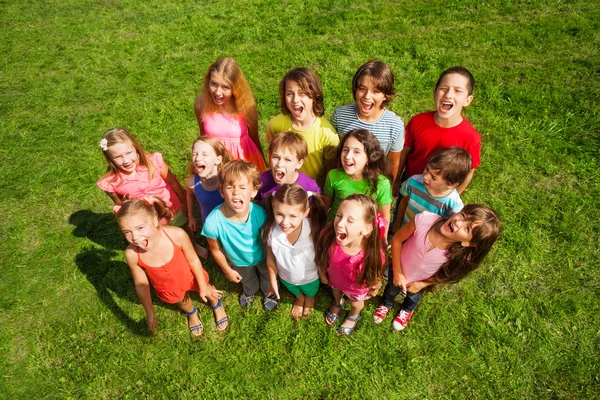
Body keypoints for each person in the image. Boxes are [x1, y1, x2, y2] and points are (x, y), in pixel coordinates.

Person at [373, 205, 500, 331]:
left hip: (419, 282)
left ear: (468, 243)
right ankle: (386, 303)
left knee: (413, 297)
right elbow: (397, 240)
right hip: (397, 270)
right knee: (390, 290)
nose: (458, 222)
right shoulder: (424, 220)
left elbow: (449, 275)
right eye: (463, 215)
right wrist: (397, 272)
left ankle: (407, 310)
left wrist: (422, 284)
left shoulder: (461, 256)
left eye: (467, 229)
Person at [117, 197, 228, 336]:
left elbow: (193, 260)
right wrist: (150, 313)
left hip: (191, 275)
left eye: (140, 228)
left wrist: (203, 286)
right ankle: (191, 312)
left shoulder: (177, 234)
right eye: (127, 232)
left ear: (155, 220)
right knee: (182, 302)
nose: (134, 237)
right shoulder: (132, 254)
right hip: (168, 287)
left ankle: (216, 304)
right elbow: (141, 284)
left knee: (209, 291)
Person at [97, 127, 208, 258]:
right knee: (161, 236)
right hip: (148, 218)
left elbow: (172, 182)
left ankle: (193, 245)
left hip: (173, 206)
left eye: (129, 153)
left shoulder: (153, 162)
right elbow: (121, 206)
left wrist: (184, 202)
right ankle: (172, 253)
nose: (126, 160)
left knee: (183, 227)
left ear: (136, 149)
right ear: (110, 159)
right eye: (118, 157)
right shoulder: (111, 182)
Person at [201, 160, 277, 310]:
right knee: (247, 281)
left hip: (262, 257)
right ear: (222, 191)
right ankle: (249, 291)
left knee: (266, 276)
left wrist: (270, 262)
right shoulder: (213, 222)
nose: (236, 192)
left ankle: (269, 293)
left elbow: (266, 241)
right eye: (230, 187)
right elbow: (215, 249)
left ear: (254, 191)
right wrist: (227, 270)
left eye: (243, 187)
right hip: (238, 262)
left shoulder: (259, 214)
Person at [394, 66, 480, 196]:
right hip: (409, 188)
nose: (448, 94)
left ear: (467, 100)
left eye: (457, 91)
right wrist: (395, 181)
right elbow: (403, 153)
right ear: (435, 93)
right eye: (443, 88)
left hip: (439, 197)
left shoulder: (470, 138)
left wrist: (452, 196)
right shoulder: (418, 122)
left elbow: (469, 172)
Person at [315, 195, 386, 336]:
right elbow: (322, 258)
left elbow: (375, 274)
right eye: (339, 216)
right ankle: (337, 302)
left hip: (356, 290)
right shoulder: (329, 239)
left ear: (366, 229)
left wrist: (375, 286)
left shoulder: (372, 255)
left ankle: (353, 315)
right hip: (334, 281)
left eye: (350, 221)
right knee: (336, 292)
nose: (340, 224)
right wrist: (323, 274)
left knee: (355, 303)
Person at [330, 60, 405, 184]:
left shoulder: (395, 125)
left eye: (376, 91)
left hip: (373, 186)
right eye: (362, 89)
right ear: (355, 89)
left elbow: (392, 163)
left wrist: (389, 188)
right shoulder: (340, 116)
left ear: (386, 95)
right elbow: (334, 154)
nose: (367, 96)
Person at [262, 184, 328, 319]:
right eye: (279, 214)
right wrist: (273, 281)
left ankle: (309, 298)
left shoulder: (312, 231)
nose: (285, 222)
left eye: (293, 216)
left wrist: (322, 275)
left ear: (305, 213)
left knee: (311, 290)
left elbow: (320, 256)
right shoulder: (270, 232)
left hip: (310, 277)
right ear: (273, 208)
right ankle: (299, 298)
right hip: (286, 278)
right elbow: (270, 259)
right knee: (294, 289)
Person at [265, 67, 339, 185]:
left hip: (310, 192)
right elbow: (272, 156)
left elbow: (330, 171)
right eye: (290, 94)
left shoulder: (328, 134)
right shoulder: (276, 125)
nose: (295, 100)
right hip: (280, 189)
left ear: (314, 96)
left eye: (302, 94)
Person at [194, 57, 267, 171]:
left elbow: (254, 138)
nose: (218, 92)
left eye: (225, 87)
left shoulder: (245, 107)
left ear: (235, 88)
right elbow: (203, 138)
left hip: (242, 165)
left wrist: (264, 168)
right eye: (214, 84)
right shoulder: (200, 105)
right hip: (215, 166)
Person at [322, 129, 393, 239]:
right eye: (345, 150)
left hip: (364, 237)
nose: (348, 156)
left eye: (356, 152)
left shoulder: (381, 184)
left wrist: (382, 241)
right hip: (335, 232)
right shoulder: (333, 176)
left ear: (369, 158)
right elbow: (325, 206)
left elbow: (384, 217)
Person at [395, 147, 472, 230]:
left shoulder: (454, 206)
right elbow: (404, 201)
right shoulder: (413, 181)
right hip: (403, 230)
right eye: (427, 169)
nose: (425, 177)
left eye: (434, 177)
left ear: (451, 184)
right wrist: (397, 224)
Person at [257, 131, 321, 203]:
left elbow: (315, 211)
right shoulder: (262, 180)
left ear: (299, 163)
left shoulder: (309, 186)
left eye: (287, 160)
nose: (280, 164)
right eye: (275, 157)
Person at [185, 137, 231, 231]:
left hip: (231, 224)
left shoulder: (229, 180)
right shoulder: (192, 183)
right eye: (195, 154)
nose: (197, 158)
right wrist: (191, 217)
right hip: (210, 227)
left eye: (204, 154)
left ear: (217, 160)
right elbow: (189, 195)